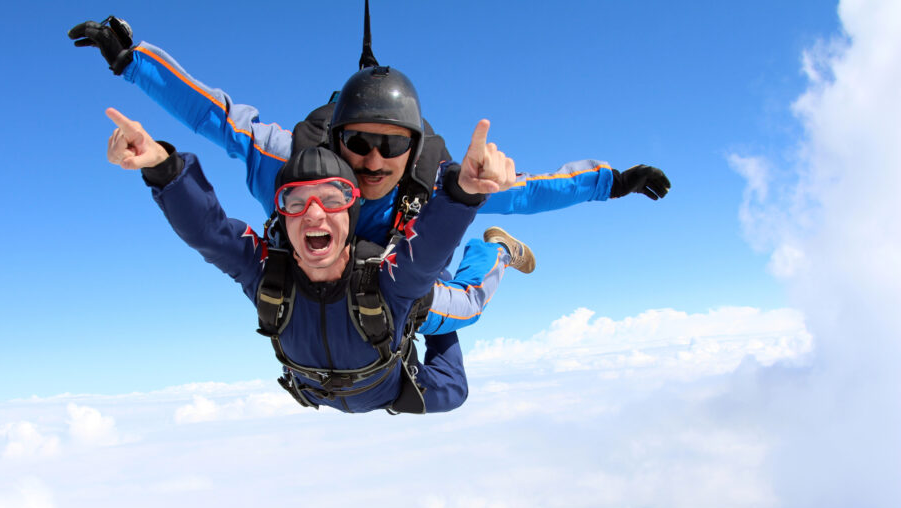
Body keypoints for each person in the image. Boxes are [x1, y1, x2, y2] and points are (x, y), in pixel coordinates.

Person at [68, 17, 671, 336]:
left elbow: (531, 190)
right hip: (324, 286)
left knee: (461, 308)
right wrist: (134, 64)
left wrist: (612, 181)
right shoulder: (292, 168)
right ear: (335, 140)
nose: (375, 162)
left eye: (393, 147)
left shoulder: (438, 182)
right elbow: (220, 117)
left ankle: (496, 258)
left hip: (402, 286)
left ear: (415, 149)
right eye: (359, 143)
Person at [105, 107, 513, 413]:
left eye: (333, 199)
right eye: (295, 202)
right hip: (327, 391)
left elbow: (426, 252)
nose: (314, 214)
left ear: (351, 214)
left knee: (455, 375)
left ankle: (492, 250)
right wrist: (163, 168)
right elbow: (208, 233)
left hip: (388, 386)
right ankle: (420, 313)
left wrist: (464, 193)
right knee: (437, 345)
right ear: (281, 214)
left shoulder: (387, 279)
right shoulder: (268, 275)